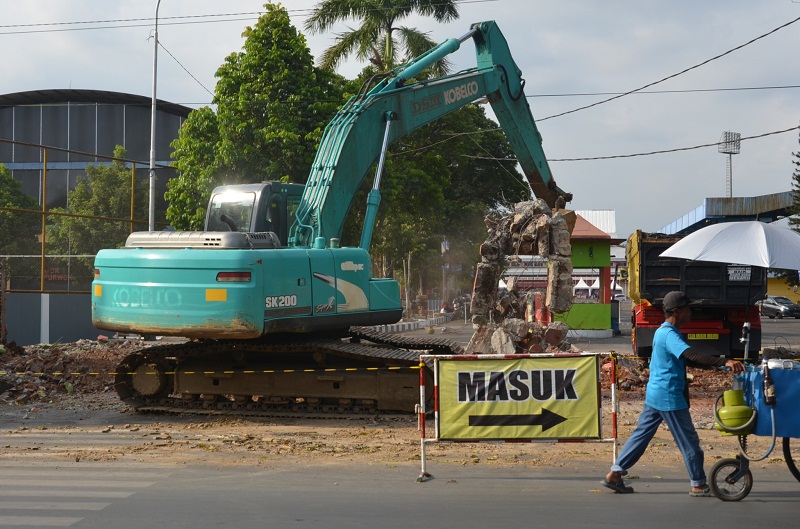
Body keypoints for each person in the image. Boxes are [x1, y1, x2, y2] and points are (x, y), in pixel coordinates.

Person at [601, 291, 745, 496]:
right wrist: (723, 361)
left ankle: (614, 474)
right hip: (669, 396)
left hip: (656, 394)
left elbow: (688, 359)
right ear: (677, 311)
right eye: (688, 308)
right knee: (689, 441)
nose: (691, 312)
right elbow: (690, 354)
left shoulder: (666, 332)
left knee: (641, 436)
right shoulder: (669, 334)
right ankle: (698, 484)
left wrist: (721, 367)